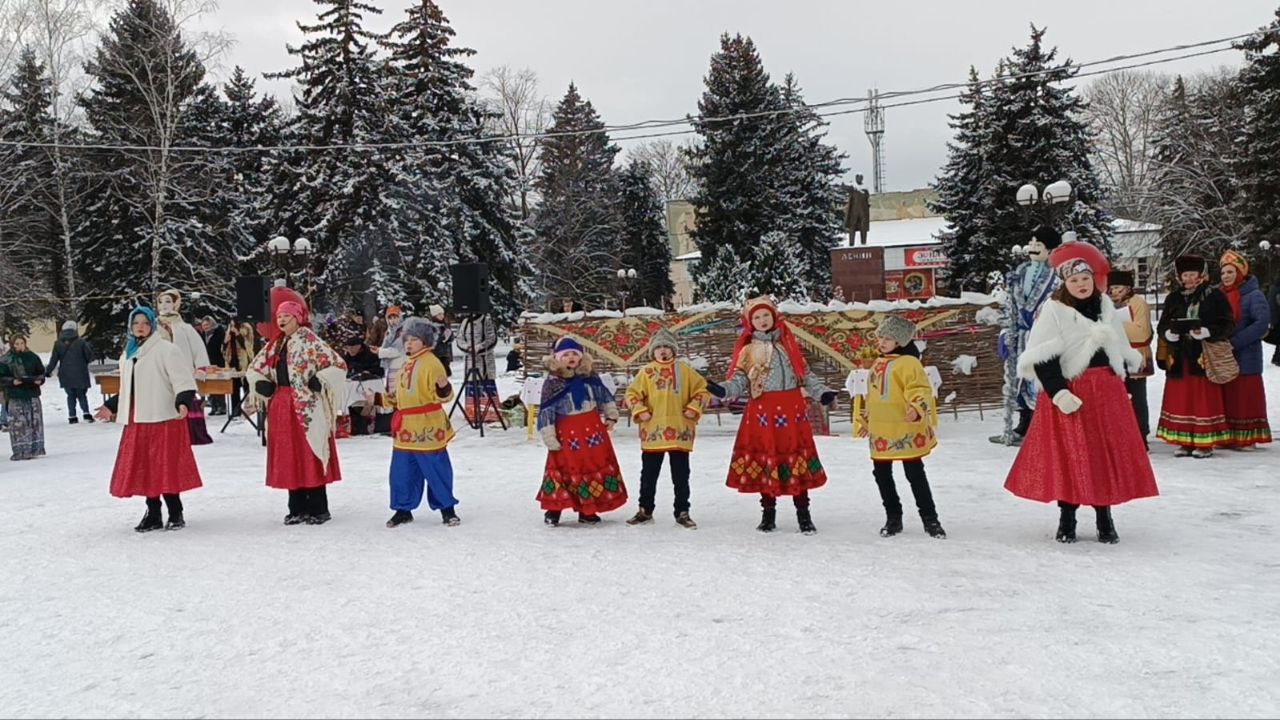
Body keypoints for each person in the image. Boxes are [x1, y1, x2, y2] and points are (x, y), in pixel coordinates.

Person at [1004, 256, 1158, 544]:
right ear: (1066, 283)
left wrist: (1121, 377)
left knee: (1103, 455)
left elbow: (1117, 345)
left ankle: (1104, 517)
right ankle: (1067, 518)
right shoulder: (1054, 309)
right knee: (1070, 456)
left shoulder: (1105, 305)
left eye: (1085, 278)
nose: (1081, 284)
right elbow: (1043, 356)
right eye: (1074, 280)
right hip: (1071, 392)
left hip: (1106, 392)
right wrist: (1059, 393)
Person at [711, 296, 836, 534]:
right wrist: (723, 390)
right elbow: (739, 379)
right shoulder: (748, 350)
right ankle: (768, 513)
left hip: (792, 411)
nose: (762, 320)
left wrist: (821, 393)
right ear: (750, 322)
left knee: (795, 458)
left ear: (774, 315)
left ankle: (803, 514)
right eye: (756, 317)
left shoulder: (788, 345)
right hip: (763, 413)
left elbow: (805, 374)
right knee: (767, 458)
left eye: (765, 315)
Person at [95, 308, 203, 532]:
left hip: (164, 417)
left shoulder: (166, 350)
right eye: (136, 323)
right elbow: (129, 387)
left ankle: (175, 511)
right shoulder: (129, 354)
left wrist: (183, 401)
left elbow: (183, 380)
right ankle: (153, 512)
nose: (140, 327)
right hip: (139, 418)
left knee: (165, 464)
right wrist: (111, 406)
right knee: (145, 465)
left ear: (152, 325)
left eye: (145, 323)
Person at [244, 297, 348, 525]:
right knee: (289, 453)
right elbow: (254, 368)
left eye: (286, 316)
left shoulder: (310, 341)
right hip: (282, 405)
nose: (281, 320)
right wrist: (261, 383)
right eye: (279, 316)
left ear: (298, 318)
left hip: (307, 405)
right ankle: (297, 507)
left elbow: (338, 365)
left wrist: (321, 379)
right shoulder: (276, 344)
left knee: (310, 450)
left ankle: (318, 507)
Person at [851, 316, 945, 539]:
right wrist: (867, 421)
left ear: (900, 341)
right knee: (881, 474)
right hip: (881, 430)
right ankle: (893, 517)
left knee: (915, 473)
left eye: (888, 338)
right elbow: (873, 395)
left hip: (905, 426)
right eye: (881, 338)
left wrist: (917, 407)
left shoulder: (909, 363)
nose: (882, 342)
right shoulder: (878, 362)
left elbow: (920, 388)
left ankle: (930, 519)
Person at [623, 328, 710, 529]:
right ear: (652, 351)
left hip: (679, 430)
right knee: (649, 474)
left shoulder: (685, 371)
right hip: (653, 431)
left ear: (673, 350)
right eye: (658, 347)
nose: (662, 350)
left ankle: (682, 511)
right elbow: (631, 394)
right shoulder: (646, 372)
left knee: (681, 475)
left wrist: (693, 408)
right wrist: (640, 410)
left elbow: (703, 390)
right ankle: (645, 510)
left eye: (666, 347)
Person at [536, 336, 627, 526]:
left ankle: (588, 510)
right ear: (557, 358)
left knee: (591, 468)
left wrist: (611, 417)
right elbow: (546, 413)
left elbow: (605, 398)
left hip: (592, 432)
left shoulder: (589, 377)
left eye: (574, 354)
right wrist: (549, 437)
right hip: (567, 434)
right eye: (566, 354)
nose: (571, 357)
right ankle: (554, 509)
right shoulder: (552, 383)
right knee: (562, 469)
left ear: (581, 357)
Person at [1156, 255, 1234, 458]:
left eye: (1192, 274)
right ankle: (1184, 441)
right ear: (1179, 277)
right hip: (1179, 357)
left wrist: (1208, 331)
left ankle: (1204, 442)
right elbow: (1163, 325)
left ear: (1201, 275)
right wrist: (1168, 334)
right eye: (1185, 275)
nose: (1189, 279)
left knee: (1202, 400)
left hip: (1202, 357)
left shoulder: (1214, 295)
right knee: (1181, 400)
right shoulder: (1173, 298)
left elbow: (1227, 323)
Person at [385, 318, 460, 528]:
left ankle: (447, 508)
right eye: (406, 339)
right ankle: (403, 509)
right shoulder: (406, 363)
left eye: (414, 339)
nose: (408, 344)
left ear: (425, 341)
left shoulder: (431, 363)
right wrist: (381, 399)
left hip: (427, 425)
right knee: (402, 471)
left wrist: (443, 387)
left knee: (436, 468)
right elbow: (400, 395)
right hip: (406, 427)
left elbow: (445, 395)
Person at [992, 226, 1062, 446]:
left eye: (1038, 244)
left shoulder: (1056, 279)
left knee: (1037, 381)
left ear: (1050, 250)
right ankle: (1023, 422)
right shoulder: (1018, 275)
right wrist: (1006, 331)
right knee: (1017, 381)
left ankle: (1040, 424)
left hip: (1042, 338)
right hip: (1019, 337)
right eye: (1031, 243)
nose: (1032, 248)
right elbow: (1009, 306)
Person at [1218, 251, 1272, 450]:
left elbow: (1261, 323)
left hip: (1246, 354)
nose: (1226, 276)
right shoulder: (1220, 295)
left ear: (1241, 273)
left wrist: (1235, 341)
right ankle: (1229, 436)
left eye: (1230, 272)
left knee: (1245, 397)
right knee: (1229, 396)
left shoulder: (1253, 295)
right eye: (1223, 272)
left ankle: (1247, 437)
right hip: (1224, 355)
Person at [155, 289, 212, 445]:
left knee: (184, 399)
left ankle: (189, 434)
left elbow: (198, 348)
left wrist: (201, 367)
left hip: (182, 371)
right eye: (161, 301)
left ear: (176, 304)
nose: (164, 305)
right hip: (160, 372)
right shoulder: (153, 327)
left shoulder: (184, 327)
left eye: (168, 301)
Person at [1107, 270, 1154, 447]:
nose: (1114, 292)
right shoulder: (1107, 304)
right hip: (1115, 356)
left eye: (1118, 287)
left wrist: (1115, 327)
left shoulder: (1138, 303)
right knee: (1118, 397)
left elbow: (1142, 333)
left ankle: (1141, 434)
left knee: (1137, 397)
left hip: (1136, 356)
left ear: (1127, 287)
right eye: (1112, 288)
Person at [0, 336, 46, 461]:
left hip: (32, 393)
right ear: (12, 345)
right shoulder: (6, 359)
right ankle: (20, 450)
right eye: (17, 343)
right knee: (19, 424)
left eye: (22, 343)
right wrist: (12, 381)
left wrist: (39, 380)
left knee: (34, 421)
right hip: (15, 395)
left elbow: (41, 372)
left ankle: (35, 448)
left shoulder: (33, 357)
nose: (20, 346)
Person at [45, 320, 96, 424]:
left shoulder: (58, 343)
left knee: (70, 395)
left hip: (65, 374)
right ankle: (86, 413)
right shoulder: (81, 342)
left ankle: (72, 416)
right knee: (82, 394)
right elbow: (89, 357)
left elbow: (54, 360)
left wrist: (48, 371)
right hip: (80, 373)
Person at [341, 334, 384, 436]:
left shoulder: (370, 355)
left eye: (352, 348)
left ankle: (367, 423)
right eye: (348, 348)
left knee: (369, 400)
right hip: (351, 384)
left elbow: (379, 371)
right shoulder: (346, 357)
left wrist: (367, 372)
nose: (350, 350)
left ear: (359, 346)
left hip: (370, 384)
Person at [222, 319, 255, 418]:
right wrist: (225, 342)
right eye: (230, 324)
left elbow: (248, 346)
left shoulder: (246, 328)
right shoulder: (229, 331)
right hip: (232, 362)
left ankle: (249, 411)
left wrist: (237, 334)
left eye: (233, 324)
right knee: (234, 389)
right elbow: (224, 348)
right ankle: (236, 411)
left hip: (244, 362)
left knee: (246, 387)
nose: (232, 326)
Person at [200, 317, 228, 416]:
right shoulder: (203, 335)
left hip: (218, 362)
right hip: (207, 362)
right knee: (210, 385)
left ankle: (221, 406)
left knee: (218, 384)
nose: (205, 327)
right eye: (204, 325)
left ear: (212, 324)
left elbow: (223, 347)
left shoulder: (219, 333)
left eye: (207, 325)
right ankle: (214, 406)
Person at [428, 304, 454, 376]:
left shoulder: (444, 326)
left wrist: (449, 336)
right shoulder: (432, 327)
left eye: (442, 314)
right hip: (436, 355)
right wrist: (443, 337)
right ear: (434, 315)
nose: (442, 316)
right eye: (439, 314)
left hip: (444, 355)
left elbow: (450, 339)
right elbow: (434, 340)